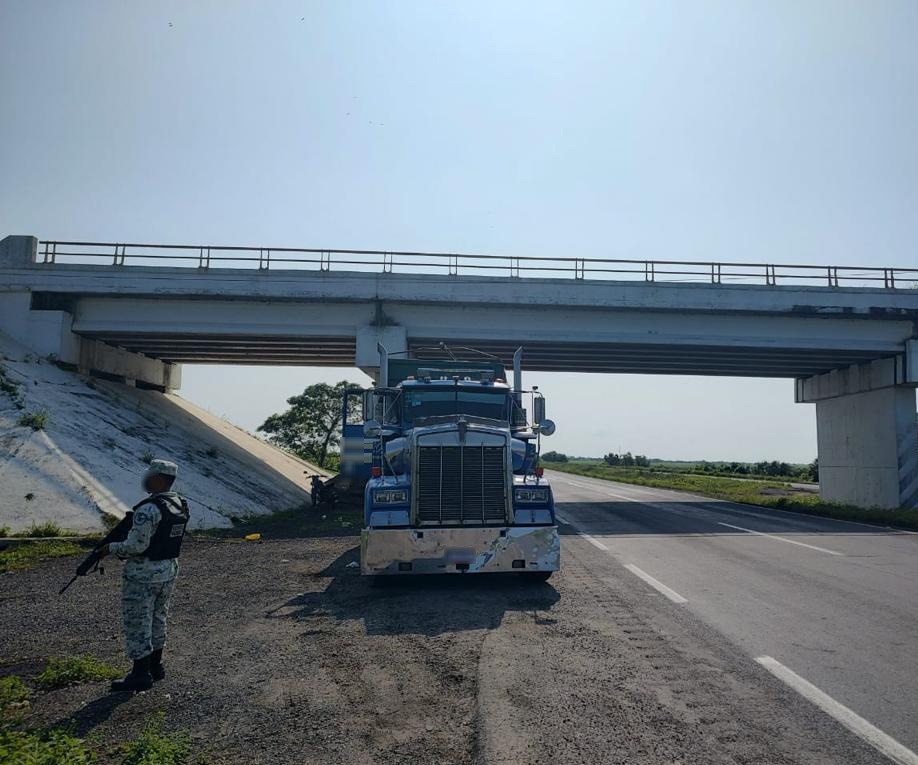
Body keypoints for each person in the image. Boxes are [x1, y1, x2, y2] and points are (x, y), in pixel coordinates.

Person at [98, 459, 189, 692]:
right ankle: (155, 667)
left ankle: (139, 674)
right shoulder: (178, 503)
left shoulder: (149, 508)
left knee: (138, 622)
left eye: (149, 475)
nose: (145, 479)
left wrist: (111, 548)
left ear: (158, 478)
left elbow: (136, 546)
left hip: (143, 574)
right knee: (158, 618)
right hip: (167, 570)